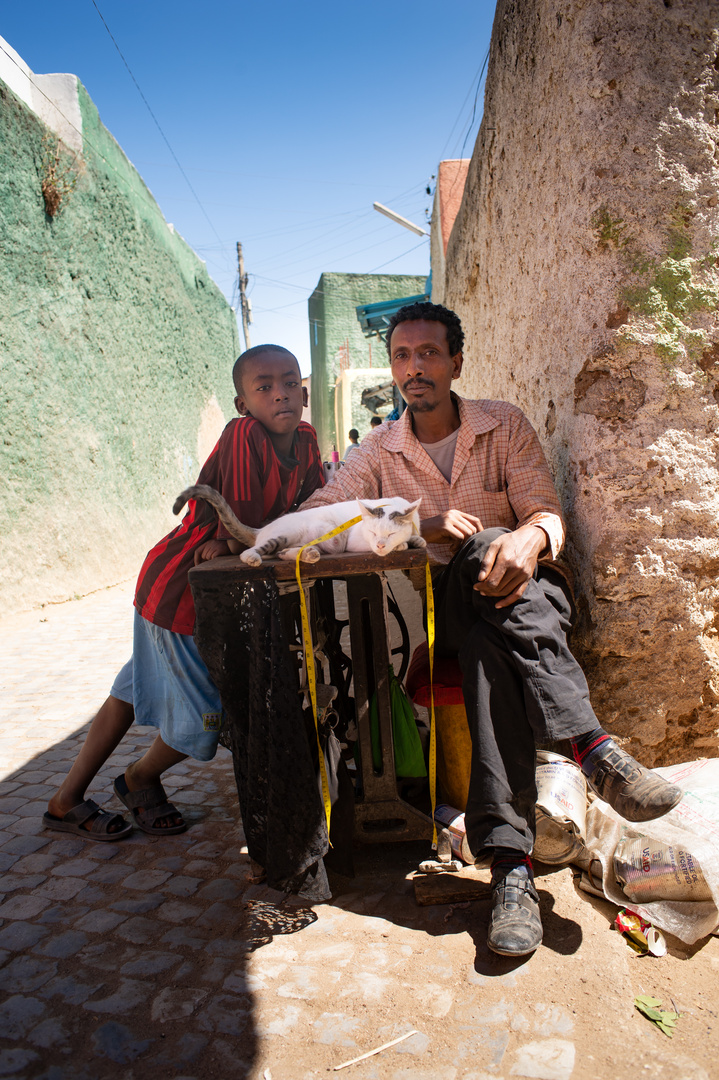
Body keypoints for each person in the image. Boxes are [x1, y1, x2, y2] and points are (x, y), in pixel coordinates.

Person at [300, 301, 682, 957]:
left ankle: (510, 871)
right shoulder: (378, 453)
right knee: (478, 555)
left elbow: (544, 509)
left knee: (489, 641)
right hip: (449, 602)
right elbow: (314, 525)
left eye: (427, 353)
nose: (414, 367)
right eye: (401, 355)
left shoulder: (501, 424)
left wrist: (528, 541)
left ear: (454, 362)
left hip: (532, 598)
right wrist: (413, 529)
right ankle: (590, 746)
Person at [44, 345, 324, 841]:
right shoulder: (244, 435)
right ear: (243, 404)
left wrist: (249, 536)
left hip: (209, 587)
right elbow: (244, 529)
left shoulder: (306, 439)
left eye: (289, 381)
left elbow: (313, 508)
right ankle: (139, 778)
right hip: (183, 592)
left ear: (304, 388)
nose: (281, 394)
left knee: (129, 692)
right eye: (264, 387)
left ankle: (65, 800)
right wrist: (240, 537)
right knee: (208, 710)